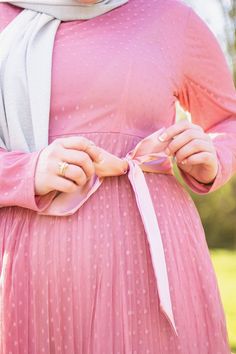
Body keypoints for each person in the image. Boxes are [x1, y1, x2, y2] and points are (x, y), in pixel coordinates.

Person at [0, 0, 235, 353]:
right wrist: (26, 171)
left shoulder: (169, 17)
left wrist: (212, 156)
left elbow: (227, 119)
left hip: (153, 270)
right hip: (33, 275)